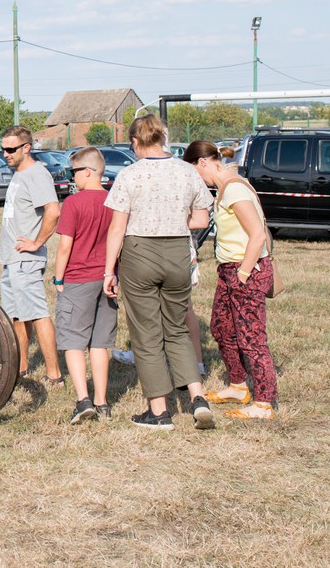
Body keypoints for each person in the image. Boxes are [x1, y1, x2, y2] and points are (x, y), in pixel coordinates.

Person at [103, 115, 215, 430]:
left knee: (147, 334)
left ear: (136, 142)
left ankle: (159, 411)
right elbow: (201, 220)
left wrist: (109, 270)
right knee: (177, 328)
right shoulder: (186, 171)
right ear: (163, 138)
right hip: (177, 251)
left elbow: (117, 227)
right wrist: (174, 221)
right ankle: (198, 398)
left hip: (140, 253)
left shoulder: (128, 175)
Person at [183, 140, 277, 420]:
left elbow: (257, 234)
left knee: (252, 338)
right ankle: (237, 385)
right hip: (230, 269)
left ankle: (264, 402)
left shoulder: (234, 189)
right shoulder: (227, 188)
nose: (196, 179)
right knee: (222, 328)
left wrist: (243, 274)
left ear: (202, 163)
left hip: (244, 269)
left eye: (194, 172)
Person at [52, 147, 117, 422]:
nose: (72, 177)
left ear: (87, 172)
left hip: (78, 279)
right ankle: (102, 402)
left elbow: (65, 246)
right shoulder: (114, 201)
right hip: (107, 278)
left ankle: (83, 400)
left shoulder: (73, 203)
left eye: (74, 172)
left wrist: (58, 278)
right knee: (100, 343)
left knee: (74, 342)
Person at [0, 125, 62, 385]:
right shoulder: (19, 174)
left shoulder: (37, 174)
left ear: (27, 147)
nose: (5, 154)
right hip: (12, 259)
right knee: (16, 314)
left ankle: (54, 375)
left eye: (11, 149)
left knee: (36, 313)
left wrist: (37, 242)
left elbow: (53, 211)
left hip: (26, 260)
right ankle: (21, 367)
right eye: (2, 149)